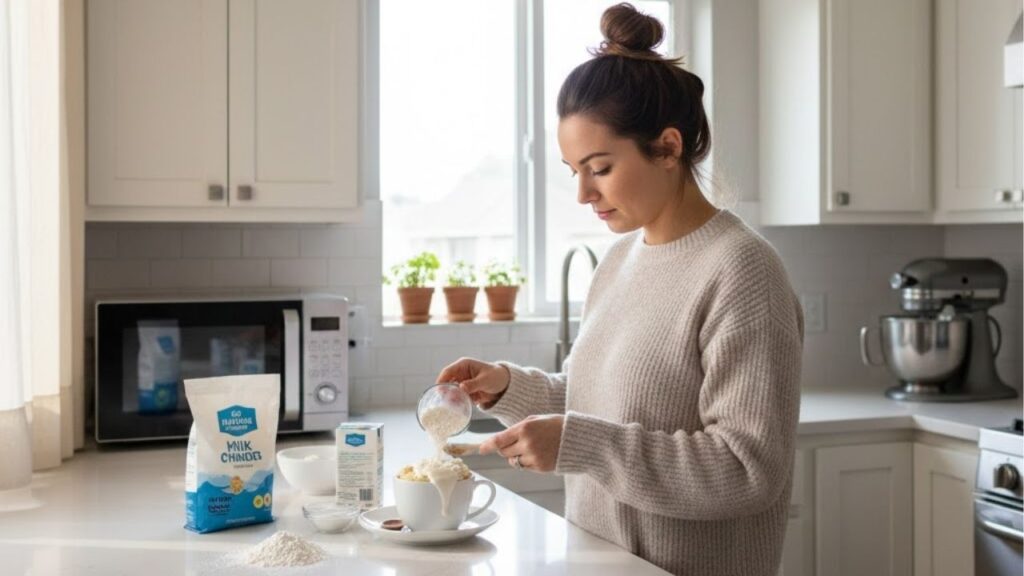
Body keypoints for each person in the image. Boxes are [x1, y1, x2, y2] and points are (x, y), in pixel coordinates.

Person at [436, 4, 803, 575]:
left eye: (599, 167)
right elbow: (612, 400)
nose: (582, 193)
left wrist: (583, 445)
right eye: (573, 169)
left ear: (668, 147)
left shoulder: (743, 271)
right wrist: (508, 388)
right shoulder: (618, 259)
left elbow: (745, 470)